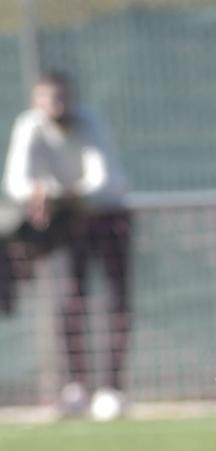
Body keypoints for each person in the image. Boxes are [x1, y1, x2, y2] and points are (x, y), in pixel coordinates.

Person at [3, 70, 133, 419]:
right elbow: (15, 179)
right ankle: (76, 387)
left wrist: (60, 194)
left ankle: (111, 389)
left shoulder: (89, 122)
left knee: (116, 300)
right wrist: (37, 192)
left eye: (61, 97)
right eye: (47, 98)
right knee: (71, 299)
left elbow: (101, 178)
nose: (56, 105)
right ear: (36, 101)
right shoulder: (29, 126)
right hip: (68, 220)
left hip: (106, 214)